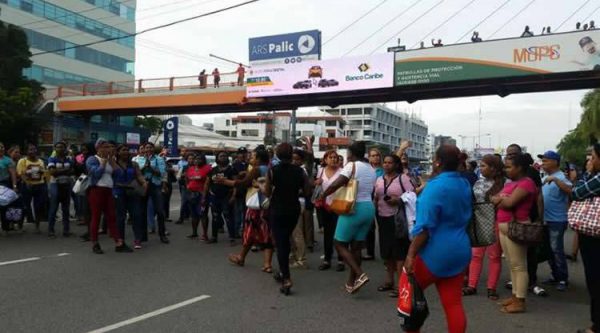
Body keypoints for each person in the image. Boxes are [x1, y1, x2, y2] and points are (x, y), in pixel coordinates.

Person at [320, 141, 377, 294]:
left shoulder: (351, 166)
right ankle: (351, 282)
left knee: (339, 244)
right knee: (356, 246)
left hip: (353, 208)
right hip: (368, 208)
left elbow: (337, 184)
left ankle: (360, 274)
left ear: (351, 153)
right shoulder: (371, 169)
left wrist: (323, 195)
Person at [491, 153, 538, 313]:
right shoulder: (512, 183)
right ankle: (515, 296)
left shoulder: (527, 183)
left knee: (519, 266)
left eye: (509, 167)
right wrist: (499, 200)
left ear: (520, 168)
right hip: (505, 227)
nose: (506, 169)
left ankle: (521, 300)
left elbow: (509, 202)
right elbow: (495, 198)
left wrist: (499, 200)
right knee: (512, 264)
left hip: (516, 227)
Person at [265, 143, 309, 295]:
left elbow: (267, 192)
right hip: (293, 209)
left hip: (277, 209)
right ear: (291, 155)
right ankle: (283, 272)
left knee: (281, 243)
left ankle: (287, 278)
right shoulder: (300, 171)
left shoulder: (272, 171)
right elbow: (308, 190)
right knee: (286, 239)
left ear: (277, 154)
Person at [463, 154, 505, 300]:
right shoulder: (478, 182)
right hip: (479, 221)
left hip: (495, 221)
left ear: (493, 168)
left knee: (494, 256)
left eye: (483, 166)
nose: (480, 169)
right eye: (480, 166)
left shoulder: (504, 183)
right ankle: (471, 285)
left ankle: (491, 288)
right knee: (476, 254)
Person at [226, 148, 274, 274]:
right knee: (265, 234)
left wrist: (226, 181)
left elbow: (243, 184)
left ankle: (242, 258)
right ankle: (266, 264)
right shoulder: (269, 168)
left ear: (258, 159)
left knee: (249, 233)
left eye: (252, 156)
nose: (250, 158)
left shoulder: (257, 169)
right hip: (266, 206)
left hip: (256, 207)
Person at [374, 154, 414, 298]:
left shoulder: (403, 179)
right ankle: (389, 280)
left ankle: (401, 285)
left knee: (399, 252)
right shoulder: (379, 179)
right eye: (384, 162)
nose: (386, 165)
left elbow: (412, 195)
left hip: (398, 219)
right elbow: (376, 196)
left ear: (396, 165)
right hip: (382, 218)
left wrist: (399, 200)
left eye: (390, 163)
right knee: (386, 252)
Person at [86, 139, 132, 254]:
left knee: (112, 217)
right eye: (105, 147)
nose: (109, 149)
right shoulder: (92, 159)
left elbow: (119, 174)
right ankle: (95, 243)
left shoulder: (110, 159)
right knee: (96, 217)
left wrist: (111, 161)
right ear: (98, 148)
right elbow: (96, 173)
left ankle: (118, 242)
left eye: (109, 147)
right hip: (96, 190)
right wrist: (103, 162)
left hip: (109, 190)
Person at [572, 143, 600, 333]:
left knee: (596, 280)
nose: (590, 160)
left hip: (595, 237)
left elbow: (577, 192)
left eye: (593, 157)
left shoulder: (597, 178)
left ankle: (596, 326)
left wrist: (586, 174)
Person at [538, 150, 572, 291]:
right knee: (548, 250)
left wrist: (557, 181)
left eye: (546, 160)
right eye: (542, 160)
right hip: (545, 219)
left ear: (555, 162)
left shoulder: (561, 177)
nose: (543, 163)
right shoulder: (545, 177)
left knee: (556, 249)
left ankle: (563, 278)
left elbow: (571, 191)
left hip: (557, 220)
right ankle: (555, 275)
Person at [315, 150, 345, 272]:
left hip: (338, 206)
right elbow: (316, 185)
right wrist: (316, 182)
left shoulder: (342, 172)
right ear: (325, 159)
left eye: (335, 157)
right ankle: (327, 259)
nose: (333, 159)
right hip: (325, 206)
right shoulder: (321, 171)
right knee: (328, 233)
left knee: (339, 234)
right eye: (330, 157)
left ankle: (341, 260)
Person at [113, 144, 147, 250]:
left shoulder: (133, 164)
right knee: (120, 218)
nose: (126, 152)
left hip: (133, 192)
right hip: (118, 192)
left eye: (127, 150)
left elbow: (139, 175)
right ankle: (120, 240)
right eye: (123, 150)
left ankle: (138, 239)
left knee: (136, 216)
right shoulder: (113, 164)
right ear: (118, 152)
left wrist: (144, 183)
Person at [137, 142, 170, 244]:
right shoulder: (139, 159)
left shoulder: (159, 159)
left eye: (150, 147)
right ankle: (143, 235)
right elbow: (137, 173)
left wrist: (150, 168)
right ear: (144, 149)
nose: (148, 149)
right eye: (146, 147)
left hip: (155, 185)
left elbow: (161, 173)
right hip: (143, 186)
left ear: (153, 149)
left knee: (160, 211)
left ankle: (162, 234)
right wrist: (144, 167)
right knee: (142, 211)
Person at [205, 151, 237, 244]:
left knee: (228, 217)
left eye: (225, 156)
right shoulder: (213, 170)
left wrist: (234, 196)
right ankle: (214, 237)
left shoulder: (232, 170)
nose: (223, 157)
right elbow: (207, 184)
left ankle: (232, 238)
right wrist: (205, 196)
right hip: (215, 197)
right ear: (217, 158)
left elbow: (236, 184)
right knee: (215, 217)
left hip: (227, 197)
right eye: (221, 156)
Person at [16, 143, 46, 232]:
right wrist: (26, 182)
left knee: (38, 206)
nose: (33, 151)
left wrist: (41, 171)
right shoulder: (22, 161)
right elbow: (20, 173)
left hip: (39, 185)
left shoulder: (41, 161)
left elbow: (43, 173)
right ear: (27, 151)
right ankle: (20, 225)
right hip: (26, 186)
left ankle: (37, 226)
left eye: (34, 149)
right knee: (24, 206)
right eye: (30, 149)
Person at [47, 141, 74, 238]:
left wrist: (59, 171)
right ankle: (51, 230)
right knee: (53, 208)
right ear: (55, 149)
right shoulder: (51, 159)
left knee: (65, 209)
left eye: (62, 147)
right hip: (55, 184)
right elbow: (52, 172)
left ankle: (66, 230)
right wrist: (66, 170)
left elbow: (73, 170)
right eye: (58, 147)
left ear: (65, 148)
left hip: (66, 184)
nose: (60, 149)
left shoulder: (69, 159)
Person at [184, 154, 212, 240]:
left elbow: (207, 183)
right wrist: (187, 186)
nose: (197, 160)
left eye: (200, 159)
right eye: (196, 159)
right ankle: (194, 233)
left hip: (201, 194)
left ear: (204, 160)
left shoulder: (207, 168)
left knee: (203, 214)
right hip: (191, 194)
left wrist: (204, 196)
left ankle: (205, 234)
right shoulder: (190, 168)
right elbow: (186, 178)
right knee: (193, 215)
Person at [232, 147, 249, 238]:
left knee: (246, 213)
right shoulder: (235, 164)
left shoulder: (249, 164)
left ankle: (244, 231)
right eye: (240, 153)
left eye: (244, 153)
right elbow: (233, 178)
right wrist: (240, 174)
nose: (242, 155)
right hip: (238, 191)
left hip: (247, 191)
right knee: (238, 212)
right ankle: (236, 231)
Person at [175, 151, 191, 225]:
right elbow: (179, 176)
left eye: (192, 158)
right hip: (185, 187)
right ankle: (181, 218)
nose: (191, 160)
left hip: (194, 188)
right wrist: (182, 176)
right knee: (184, 202)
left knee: (193, 203)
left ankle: (192, 216)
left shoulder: (197, 167)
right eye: (189, 159)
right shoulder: (184, 167)